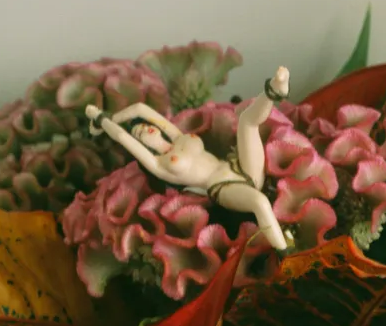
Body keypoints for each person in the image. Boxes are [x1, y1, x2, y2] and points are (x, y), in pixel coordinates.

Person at [86, 66, 292, 251]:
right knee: (260, 202)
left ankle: (274, 89)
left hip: (239, 167)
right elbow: (121, 136)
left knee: (247, 122)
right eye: (140, 134)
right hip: (224, 187)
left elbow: (141, 109)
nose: (146, 129)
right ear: (143, 145)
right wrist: (101, 120)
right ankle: (286, 252)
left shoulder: (177, 137)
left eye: (144, 126)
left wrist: (114, 116)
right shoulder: (160, 164)